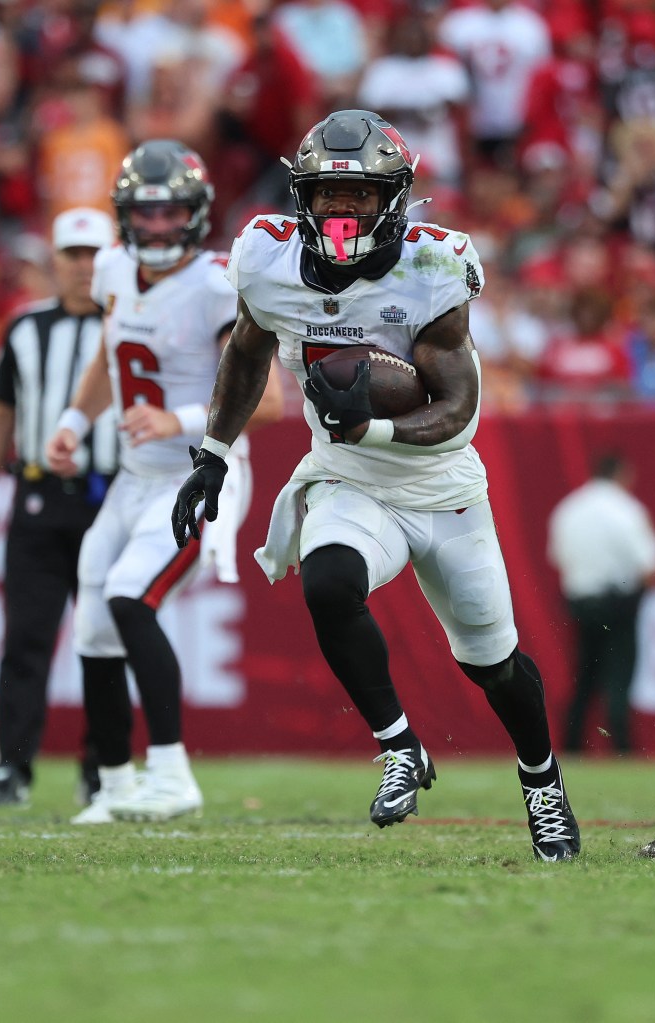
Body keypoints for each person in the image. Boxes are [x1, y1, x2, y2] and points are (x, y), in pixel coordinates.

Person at [172, 109, 581, 862]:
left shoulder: (432, 267)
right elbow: (246, 352)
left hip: (440, 480)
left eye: (360, 196)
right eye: (329, 193)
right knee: (328, 581)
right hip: (350, 475)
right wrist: (212, 454)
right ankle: (401, 746)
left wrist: (376, 426)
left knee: (493, 665)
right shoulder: (267, 259)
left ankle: (542, 782)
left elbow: (457, 410)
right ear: (303, 195)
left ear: (394, 198)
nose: (342, 210)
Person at [46, 138, 283, 824]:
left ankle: (173, 772)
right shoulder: (114, 268)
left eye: (169, 212)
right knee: (93, 619)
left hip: (200, 476)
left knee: (127, 595)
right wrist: (71, 419)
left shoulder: (215, 284)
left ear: (196, 213)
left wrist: (176, 415)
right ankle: (116, 784)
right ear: (125, 217)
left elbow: (266, 402)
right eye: (143, 214)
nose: (154, 228)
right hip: (134, 475)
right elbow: (112, 356)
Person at [0, 206, 118, 807]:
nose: (83, 267)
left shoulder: (131, 324)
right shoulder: (25, 329)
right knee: (27, 639)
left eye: (93, 255)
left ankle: (102, 767)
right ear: (54, 261)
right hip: (35, 499)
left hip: (110, 495)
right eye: (73, 255)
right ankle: (12, 767)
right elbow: (1, 412)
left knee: (105, 638)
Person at [547, 452, 655, 755]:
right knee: (619, 677)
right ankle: (621, 749)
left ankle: (571, 748)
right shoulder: (625, 510)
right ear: (621, 474)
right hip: (618, 604)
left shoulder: (569, 508)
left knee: (585, 678)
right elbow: (651, 565)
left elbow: (558, 557)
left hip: (580, 603)